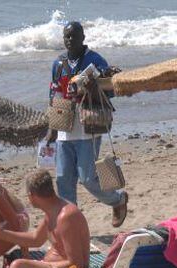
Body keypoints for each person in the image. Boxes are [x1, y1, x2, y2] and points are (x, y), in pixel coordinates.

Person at [46, 21, 128, 228]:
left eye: (74, 36)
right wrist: (52, 130)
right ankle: (70, 225)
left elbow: (110, 91)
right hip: (65, 129)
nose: (70, 40)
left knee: (88, 179)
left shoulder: (95, 60)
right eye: (66, 36)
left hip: (88, 128)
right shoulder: (58, 64)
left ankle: (118, 200)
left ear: (83, 37)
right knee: (63, 180)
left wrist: (93, 88)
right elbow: (55, 97)